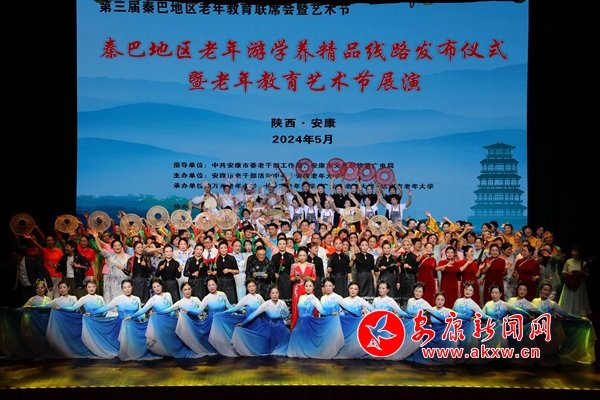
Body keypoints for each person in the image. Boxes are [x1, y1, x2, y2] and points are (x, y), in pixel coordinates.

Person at [159, 278, 232, 357]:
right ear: (182, 291)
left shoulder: (196, 299)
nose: (187, 291)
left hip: (202, 322)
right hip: (190, 325)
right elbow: (169, 309)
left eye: (189, 289)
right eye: (185, 290)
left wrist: (240, 310)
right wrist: (158, 312)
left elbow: (203, 308)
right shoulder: (180, 302)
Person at [127, 278, 198, 359]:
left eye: (158, 286)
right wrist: (132, 317)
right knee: (154, 318)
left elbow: (171, 309)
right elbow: (143, 310)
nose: (157, 288)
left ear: (162, 286)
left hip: (170, 320)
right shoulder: (153, 299)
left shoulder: (168, 294)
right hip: (160, 324)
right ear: (152, 289)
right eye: (154, 287)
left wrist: (172, 318)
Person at [534, 282, 595, 364]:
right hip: (535, 328)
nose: (546, 292)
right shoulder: (534, 301)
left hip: (547, 328)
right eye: (545, 290)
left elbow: (566, 315)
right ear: (540, 290)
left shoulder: (552, 304)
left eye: (549, 290)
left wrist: (580, 318)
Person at [84, 279, 144, 359]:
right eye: (125, 287)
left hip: (134, 324)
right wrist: (92, 313)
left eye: (129, 287)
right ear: (122, 289)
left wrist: (143, 322)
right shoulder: (118, 299)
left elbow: (141, 312)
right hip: (122, 324)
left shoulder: (137, 299)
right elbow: (105, 308)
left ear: (132, 287)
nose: (127, 289)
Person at [46, 279, 105, 358]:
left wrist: (99, 315)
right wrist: (61, 308)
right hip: (90, 323)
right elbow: (72, 308)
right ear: (86, 288)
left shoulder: (100, 298)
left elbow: (105, 310)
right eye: (89, 287)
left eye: (93, 286)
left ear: (96, 287)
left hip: (100, 322)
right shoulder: (83, 299)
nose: (91, 288)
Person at [287, 278, 344, 359]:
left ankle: (308, 353)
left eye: (310, 286)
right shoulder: (301, 297)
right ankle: (301, 352)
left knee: (300, 335)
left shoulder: (314, 299)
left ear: (313, 287)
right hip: (300, 321)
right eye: (306, 286)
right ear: (304, 287)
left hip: (309, 322)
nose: (308, 288)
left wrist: (331, 313)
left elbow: (321, 311)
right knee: (295, 333)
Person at [21, 280, 78, 359]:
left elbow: (76, 309)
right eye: (60, 288)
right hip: (64, 324)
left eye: (64, 287)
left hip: (73, 322)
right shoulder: (56, 300)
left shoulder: (74, 298)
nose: (62, 289)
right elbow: (44, 306)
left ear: (68, 288)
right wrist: (32, 307)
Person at [232, 285, 291, 357]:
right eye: (272, 293)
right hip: (269, 327)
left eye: (276, 293)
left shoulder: (282, 303)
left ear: (279, 293)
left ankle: (279, 348)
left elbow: (287, 313)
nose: (275, 295)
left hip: (279, 326)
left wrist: (281, 319)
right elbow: (254, 314)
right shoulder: (266, 304)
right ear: (269, 294)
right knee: (265, 338)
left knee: (287, 333)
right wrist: (243, 323)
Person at [212, 279, 265, 357]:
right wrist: (222, 313)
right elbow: (234, 309)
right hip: (250, 323)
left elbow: (265, 308)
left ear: (256, 286)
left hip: (260, 322)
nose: (251, 288)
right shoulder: (246, 298)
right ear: (246, 288)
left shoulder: (259, 297)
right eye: (249, 286)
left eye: (253, 286)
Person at [0, 280, 51, 359]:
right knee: (38, 340)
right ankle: (40, 354)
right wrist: (10, 310)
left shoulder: (48, 299)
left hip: (46, 323)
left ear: (45, 289)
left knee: (47, 339)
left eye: (42, 288)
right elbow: (22, 309)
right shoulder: (33, 299)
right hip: (36, 324)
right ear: (35, 289)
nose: (40, 290)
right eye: (38, 288)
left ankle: (47, 354)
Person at [409, 291, 457, 365]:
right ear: (435, 300)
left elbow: (457, 316)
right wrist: (414, 316)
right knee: (421, 326)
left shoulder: (447, 311)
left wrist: (472, 317)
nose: (440, 302)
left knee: (451, 327)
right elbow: (421, 316)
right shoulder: (431, 309)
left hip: (442, 333)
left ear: (444, 301)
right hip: (433, 331)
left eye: (442, 300)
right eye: (438, 299)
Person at [335, 280, 374, 359]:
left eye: (355, 289)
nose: (353, 291)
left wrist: (366, 315)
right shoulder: (344, 300)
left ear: (358, 291)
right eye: (351, 288)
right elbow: (341, 313)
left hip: (357, 325)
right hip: (346, 325)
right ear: (348, 289)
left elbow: (372, 309)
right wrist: (336, 314)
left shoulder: (360, 300)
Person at [92, 230, 130, 304]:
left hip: (124, 282)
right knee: (112, 300)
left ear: (121, 246)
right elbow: (100, 249)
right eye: (115, 246)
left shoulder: (127, 257)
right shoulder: (109, 256)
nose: (117, 247)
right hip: (112, 282)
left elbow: (129, 270)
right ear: (112, 247)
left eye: (119, 245)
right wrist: (96, 237)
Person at [559, 245, 591, 317]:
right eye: (572, 251)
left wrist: (583, 273)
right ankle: (568, 312)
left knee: (578, 298)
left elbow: (587, 275)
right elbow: (563, 271)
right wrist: (567, 273)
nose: (573, 253)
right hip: (570, 282)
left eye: (575, 251)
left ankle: (578, 313)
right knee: (569, 298)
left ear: (579, 253)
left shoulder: (584, 263)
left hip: (579, 284)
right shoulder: (568, 261)